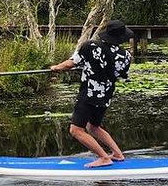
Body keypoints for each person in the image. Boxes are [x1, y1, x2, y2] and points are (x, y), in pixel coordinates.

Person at [51, 19, 133, 168]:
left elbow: (71, 63)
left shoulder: (90, 46)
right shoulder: (126, 55)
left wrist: (57, 67)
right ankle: (117, 154)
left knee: (76, 130)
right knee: (93, 127)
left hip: (88, 94)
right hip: (106, 95)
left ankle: (103, 157)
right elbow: (121, 75)